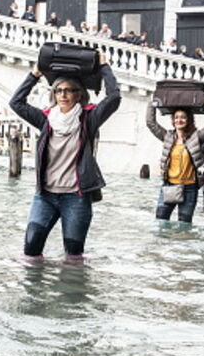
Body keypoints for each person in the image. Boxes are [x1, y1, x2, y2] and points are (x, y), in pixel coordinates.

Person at [9, 54, 121, 259]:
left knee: (73, 255)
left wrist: (105, 67)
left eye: (69, 90)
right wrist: (34, 75)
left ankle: (71, 289)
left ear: (79, 94)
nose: (63, 94)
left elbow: (114, 98)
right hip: (45, 196)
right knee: (31, 249)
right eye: (59, 90)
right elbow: (16, 103)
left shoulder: (89, 118)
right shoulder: (45, 120)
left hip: (76, 197)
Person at [146, 95, 204, 225]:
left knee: (184, 225)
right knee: (160, 222)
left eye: (183, 117)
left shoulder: (196, 137)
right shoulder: (167, 136)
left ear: (189, 120)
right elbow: (151, 123)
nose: (179, 120)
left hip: (189, 188)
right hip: (169, 185)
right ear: (173, 121)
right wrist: (152, 103)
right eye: (177, 118)